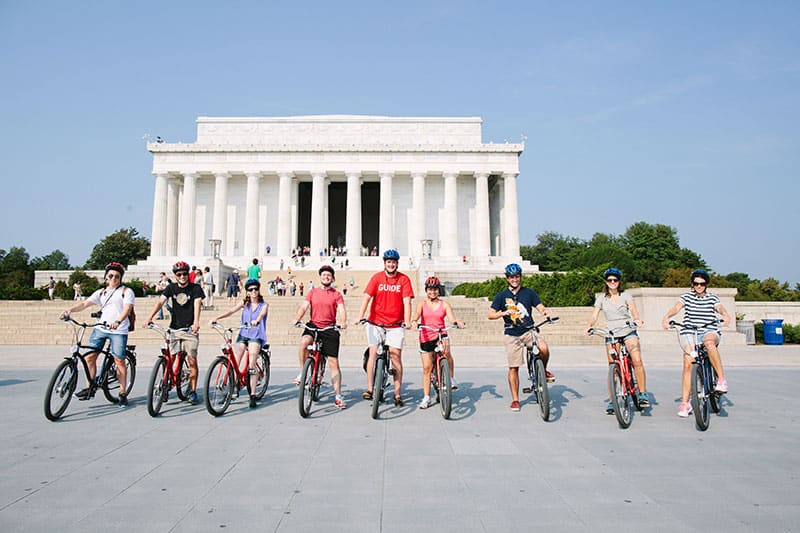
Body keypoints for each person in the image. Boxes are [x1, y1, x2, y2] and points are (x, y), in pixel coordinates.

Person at [59, 262, 134, 407]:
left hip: (118, 330)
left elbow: (127, 309)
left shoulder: (126, 291)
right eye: (111, 275)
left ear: (121, 278)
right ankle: (89, 388)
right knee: (89, 358)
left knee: (119, 361)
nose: (114, 278)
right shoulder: (101, 292)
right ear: (106, 277)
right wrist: (69, 310)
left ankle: (123, 392)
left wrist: (118, 321)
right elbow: (85, 304)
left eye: (117, 276)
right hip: (101, 328)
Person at [661, 269, 731, 418]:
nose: (699, 286)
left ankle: (721, 379)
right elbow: (676, 307)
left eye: (702, 283)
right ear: (692, 284)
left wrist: (725, 315)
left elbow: (720, 308)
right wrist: (666, 317)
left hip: (709, 330)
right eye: (696, 283)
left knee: (709, 343)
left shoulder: (713, 298)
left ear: (706, 284)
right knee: (688, 363)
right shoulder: (686, 297)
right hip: (690, 331)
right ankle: (686, 403)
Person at [488, 263, 555, 412]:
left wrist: (546, 313)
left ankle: (543, 371)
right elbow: (490, 314)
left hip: (528, 330)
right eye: (511, 277)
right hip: (512, 333)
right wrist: (502, 313)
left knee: (543, 347)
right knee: (513, 367)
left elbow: (540, 306)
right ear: (507, 278)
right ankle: (515, 400)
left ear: (520, 277)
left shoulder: (529, 292)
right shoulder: (501, 296)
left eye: (517, 276)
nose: (514, 279)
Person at [585, 267, 649, 412]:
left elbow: (633, 310)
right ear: (606, 282)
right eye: (610, 280)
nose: (612, 282)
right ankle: (613, 399)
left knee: (637, 359)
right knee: (613, 366)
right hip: (611, 333)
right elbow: (594, 315)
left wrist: (637, 319)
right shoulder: (601, 298)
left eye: (615, 280)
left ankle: (643, 394)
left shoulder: (626, 296)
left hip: (627, 330)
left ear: (619, 281)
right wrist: (588, 326)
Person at [356, 249, 414, 407]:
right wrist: (360, 315)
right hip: (376, 322)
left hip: (395, 324)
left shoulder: (404, 279)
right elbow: (367, 297)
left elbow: (407, 301)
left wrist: (407, 321)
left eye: (393, 262)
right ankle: (369, 388)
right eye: (388, 262)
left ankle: (397, 393)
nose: (391, 264)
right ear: (384, 263)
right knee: (373, 353)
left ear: (397, 264)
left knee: (395, 356)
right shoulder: (377, 278)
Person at [145, 261, 205, 405]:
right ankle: (166, 384)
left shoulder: (195, 288)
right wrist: (149, 318)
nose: (182, 276)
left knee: (191, 361)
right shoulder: (171, 288)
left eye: (185, 273)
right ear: (175, 275)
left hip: (189, 330)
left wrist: (196, 322)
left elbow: (197, 304)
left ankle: (192, 391)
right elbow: (160, 302)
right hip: (174, 328)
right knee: (169, 358)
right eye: (179, 274)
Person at [292, 265, 348, 409]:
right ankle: (303, 373)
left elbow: (341, 309)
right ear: (320, 277)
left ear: (332, 278)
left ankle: (338, 396)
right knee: (304, 342)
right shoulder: (312, 292)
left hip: (329, 328)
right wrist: (297, 318)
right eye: (324, 275)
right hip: (314, 326)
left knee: (333, 363)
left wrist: (343, 321)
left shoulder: (336, 294)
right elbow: (304, 307)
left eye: (329, 275)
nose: (326, 277)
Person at [211, 279, 269, 408]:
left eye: (255, 289)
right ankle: (233, 387)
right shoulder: (244, 303)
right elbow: (231, 311)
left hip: (256, 335)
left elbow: (262, 314)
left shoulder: (264, 304)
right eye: (250, 290)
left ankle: (253, 394)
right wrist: (217, 318)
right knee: (235, 360)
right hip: (243, 334)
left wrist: (257, 320)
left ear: (259, 290)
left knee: (252, 363)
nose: (253, 291)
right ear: (247, 292)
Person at [411, 276, 464, 409]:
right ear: (426, 290)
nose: (432, 292)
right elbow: (416, 315)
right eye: (430, 289)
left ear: (438, 290)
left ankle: (450, 378)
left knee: (446, 352)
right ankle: (426, 397)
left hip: (440, 334)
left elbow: (451, 319)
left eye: (435, 289)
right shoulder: (422, 304)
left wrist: (457, 322)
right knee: (427, 368)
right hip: (426, 336)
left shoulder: (444, 304)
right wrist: (413, 322)